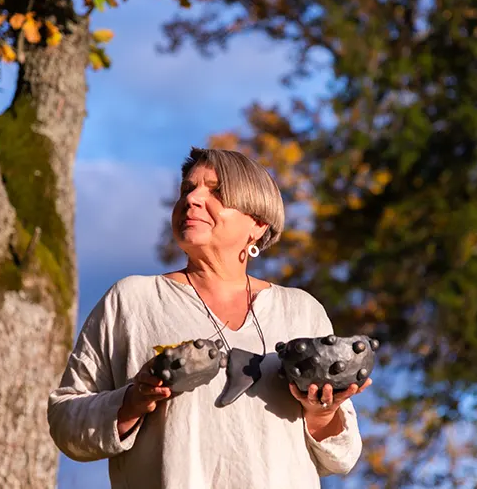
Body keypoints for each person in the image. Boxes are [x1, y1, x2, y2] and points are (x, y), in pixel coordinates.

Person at [47, 147, 372, 488]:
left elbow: (343, 455)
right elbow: (66, 418)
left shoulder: (300, 311)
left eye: (217, 192)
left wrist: (322, 412)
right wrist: (134, 400)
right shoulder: (132, 301)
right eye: (187, 189)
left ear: (258, 223)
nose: (192, 199)